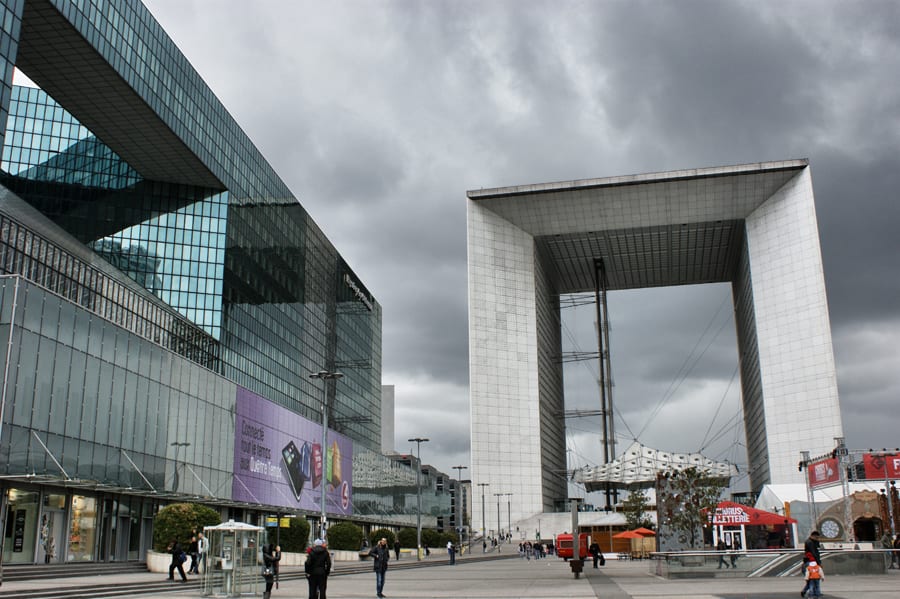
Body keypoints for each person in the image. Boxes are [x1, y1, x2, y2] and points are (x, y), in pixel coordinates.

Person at [800, 531, 822, 597]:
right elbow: (814, 552)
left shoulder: (811, 542)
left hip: (811, 561)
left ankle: (806, 591)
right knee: (813, 580)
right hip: (811, 562)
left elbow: (817, 547)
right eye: (816, 537)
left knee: (812, 580)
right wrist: (818, 563)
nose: (817, 539)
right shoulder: (809, 542)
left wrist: (817, 541)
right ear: (813, 536)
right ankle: (813, 593)